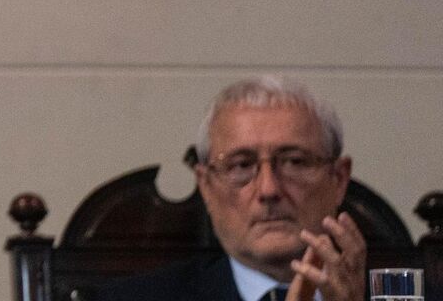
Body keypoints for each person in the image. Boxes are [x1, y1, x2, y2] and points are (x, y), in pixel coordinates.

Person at [102, 76, 366, 301]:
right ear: (206, 186)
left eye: (294, 162)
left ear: (338, 179)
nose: (268, 190)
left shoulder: (398, 290)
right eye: (241, 166)